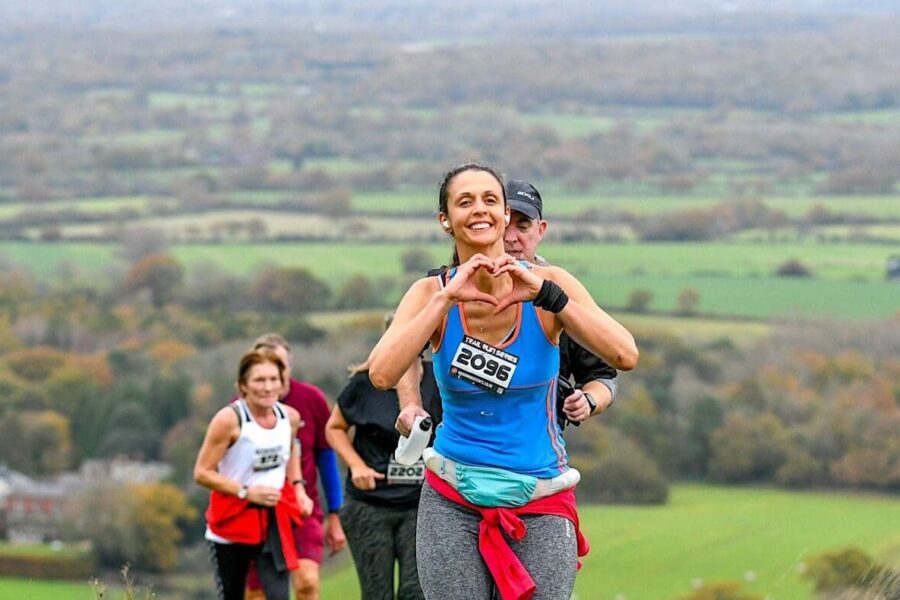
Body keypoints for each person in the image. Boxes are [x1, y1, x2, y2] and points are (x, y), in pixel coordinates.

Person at [368, 163, 638, 600]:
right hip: (453, 495)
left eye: (490, 200)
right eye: (465, 201)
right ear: (445, 219)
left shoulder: (550, 285)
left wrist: (548, 298)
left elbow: (624, 355)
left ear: (504, 214)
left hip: (541, 496)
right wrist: (445, 300)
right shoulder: (429, 292)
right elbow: (382, 372)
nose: (480, 210)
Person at [395, 178, 619, 438]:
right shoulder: (440, 289)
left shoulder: (559, 296)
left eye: (523, 226)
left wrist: (589, 400)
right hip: (450, 452)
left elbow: (607, 373)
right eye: (505, 226)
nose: (511, 238)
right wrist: (410, 402)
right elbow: (402, 352)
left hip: (534, 458)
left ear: (541, 230)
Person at [325, 317, 441, 600]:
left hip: (421, 504)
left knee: (416, 593)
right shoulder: (363, 385)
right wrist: (356, 466)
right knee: (378, 594)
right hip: (370, 504)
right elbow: (334, 428)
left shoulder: (440, 380)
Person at [195, 348, 315, 600]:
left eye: (274, 379)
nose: (268, 387)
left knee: (278, 595)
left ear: (283, 384)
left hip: (274, 519)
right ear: (243, 386)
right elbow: (202, 473)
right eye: (259, 380)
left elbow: (291, 449)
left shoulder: (289, 418)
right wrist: (247, 492)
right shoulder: (229, 420)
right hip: (232, 522)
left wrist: (298, 488)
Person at [244, 333, 347, 600]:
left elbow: (326, 457)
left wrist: (335, 514)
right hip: (256, 512)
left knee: (307, 582)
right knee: (256, 594)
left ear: (289, 366)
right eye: (263, 372)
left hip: (302, 508)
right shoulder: (239, 410)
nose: (271, 379)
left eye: (279, 366)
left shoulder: (311, 399)